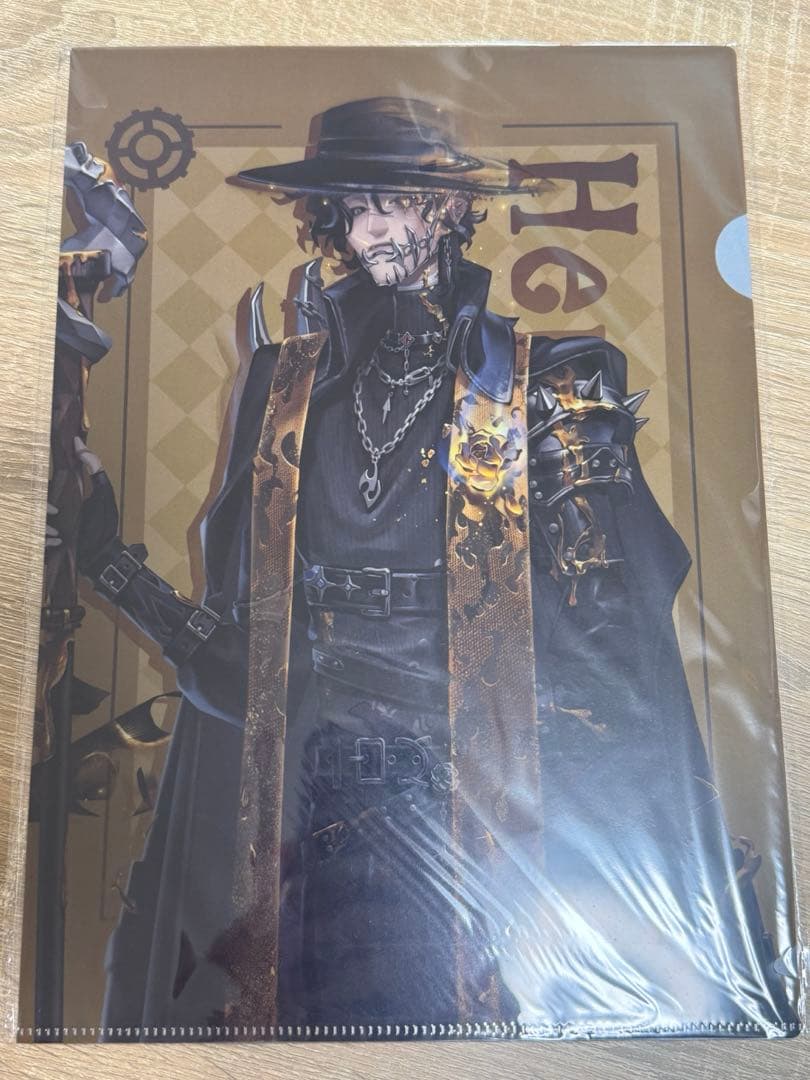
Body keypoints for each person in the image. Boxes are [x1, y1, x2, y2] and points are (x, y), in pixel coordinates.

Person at [74, 97, 792, 1039]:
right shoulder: (280, 387)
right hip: (308, 801)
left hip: (491, 808)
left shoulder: (554, 381)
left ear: (451, 208)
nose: (372, 227)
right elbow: (242, 665)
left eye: (395, 200)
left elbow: (609, 654)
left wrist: (618, 839)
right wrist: (108, 562)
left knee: (476, 1027)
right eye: (352, 206)